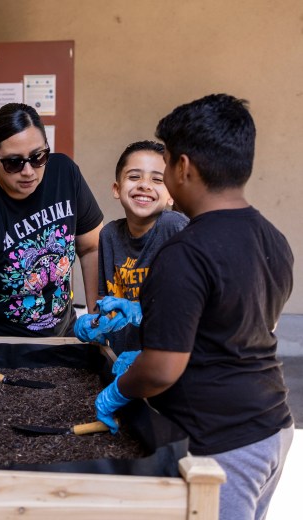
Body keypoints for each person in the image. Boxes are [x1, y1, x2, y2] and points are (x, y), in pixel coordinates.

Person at [94, 94, 294, 520]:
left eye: (165, 164)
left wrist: (117, 392)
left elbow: (162, 368)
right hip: (272, 425)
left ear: (183, 168)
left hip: (222, 444)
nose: (162, 175)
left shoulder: (185, 251)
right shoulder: (273, 238)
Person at [0, 102, 104, 426]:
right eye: (14, 163)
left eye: (38, 157)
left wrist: (98, 315)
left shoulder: (65, 173)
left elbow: (91, 247)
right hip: (3, 349)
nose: (29, 171)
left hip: (63, 335)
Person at [74, 141, 188, 354]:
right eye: (134, 177)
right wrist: (97, 326)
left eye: (157, 179)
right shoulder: (109, 235)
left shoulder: (174, 227)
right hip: (123, 358)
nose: (145, 185)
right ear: (117, 189)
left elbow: (191, 305)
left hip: (166, 361)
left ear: (172, 194)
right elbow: (105, 300)